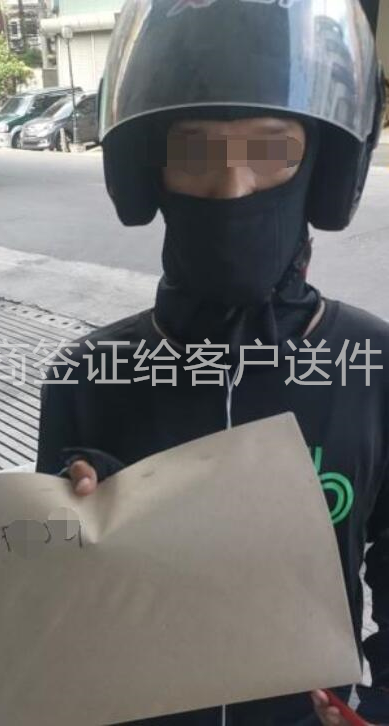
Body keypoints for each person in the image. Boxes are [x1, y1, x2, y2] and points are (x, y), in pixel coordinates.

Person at [36, 0, 388, 723]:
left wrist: (378, 704)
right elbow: (49, 612)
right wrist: (72, 528)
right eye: (195, 154)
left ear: (325, 168)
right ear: (148, 170)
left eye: (270, 150)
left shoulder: (372, 366)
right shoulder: (88, 374)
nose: (233, 187)